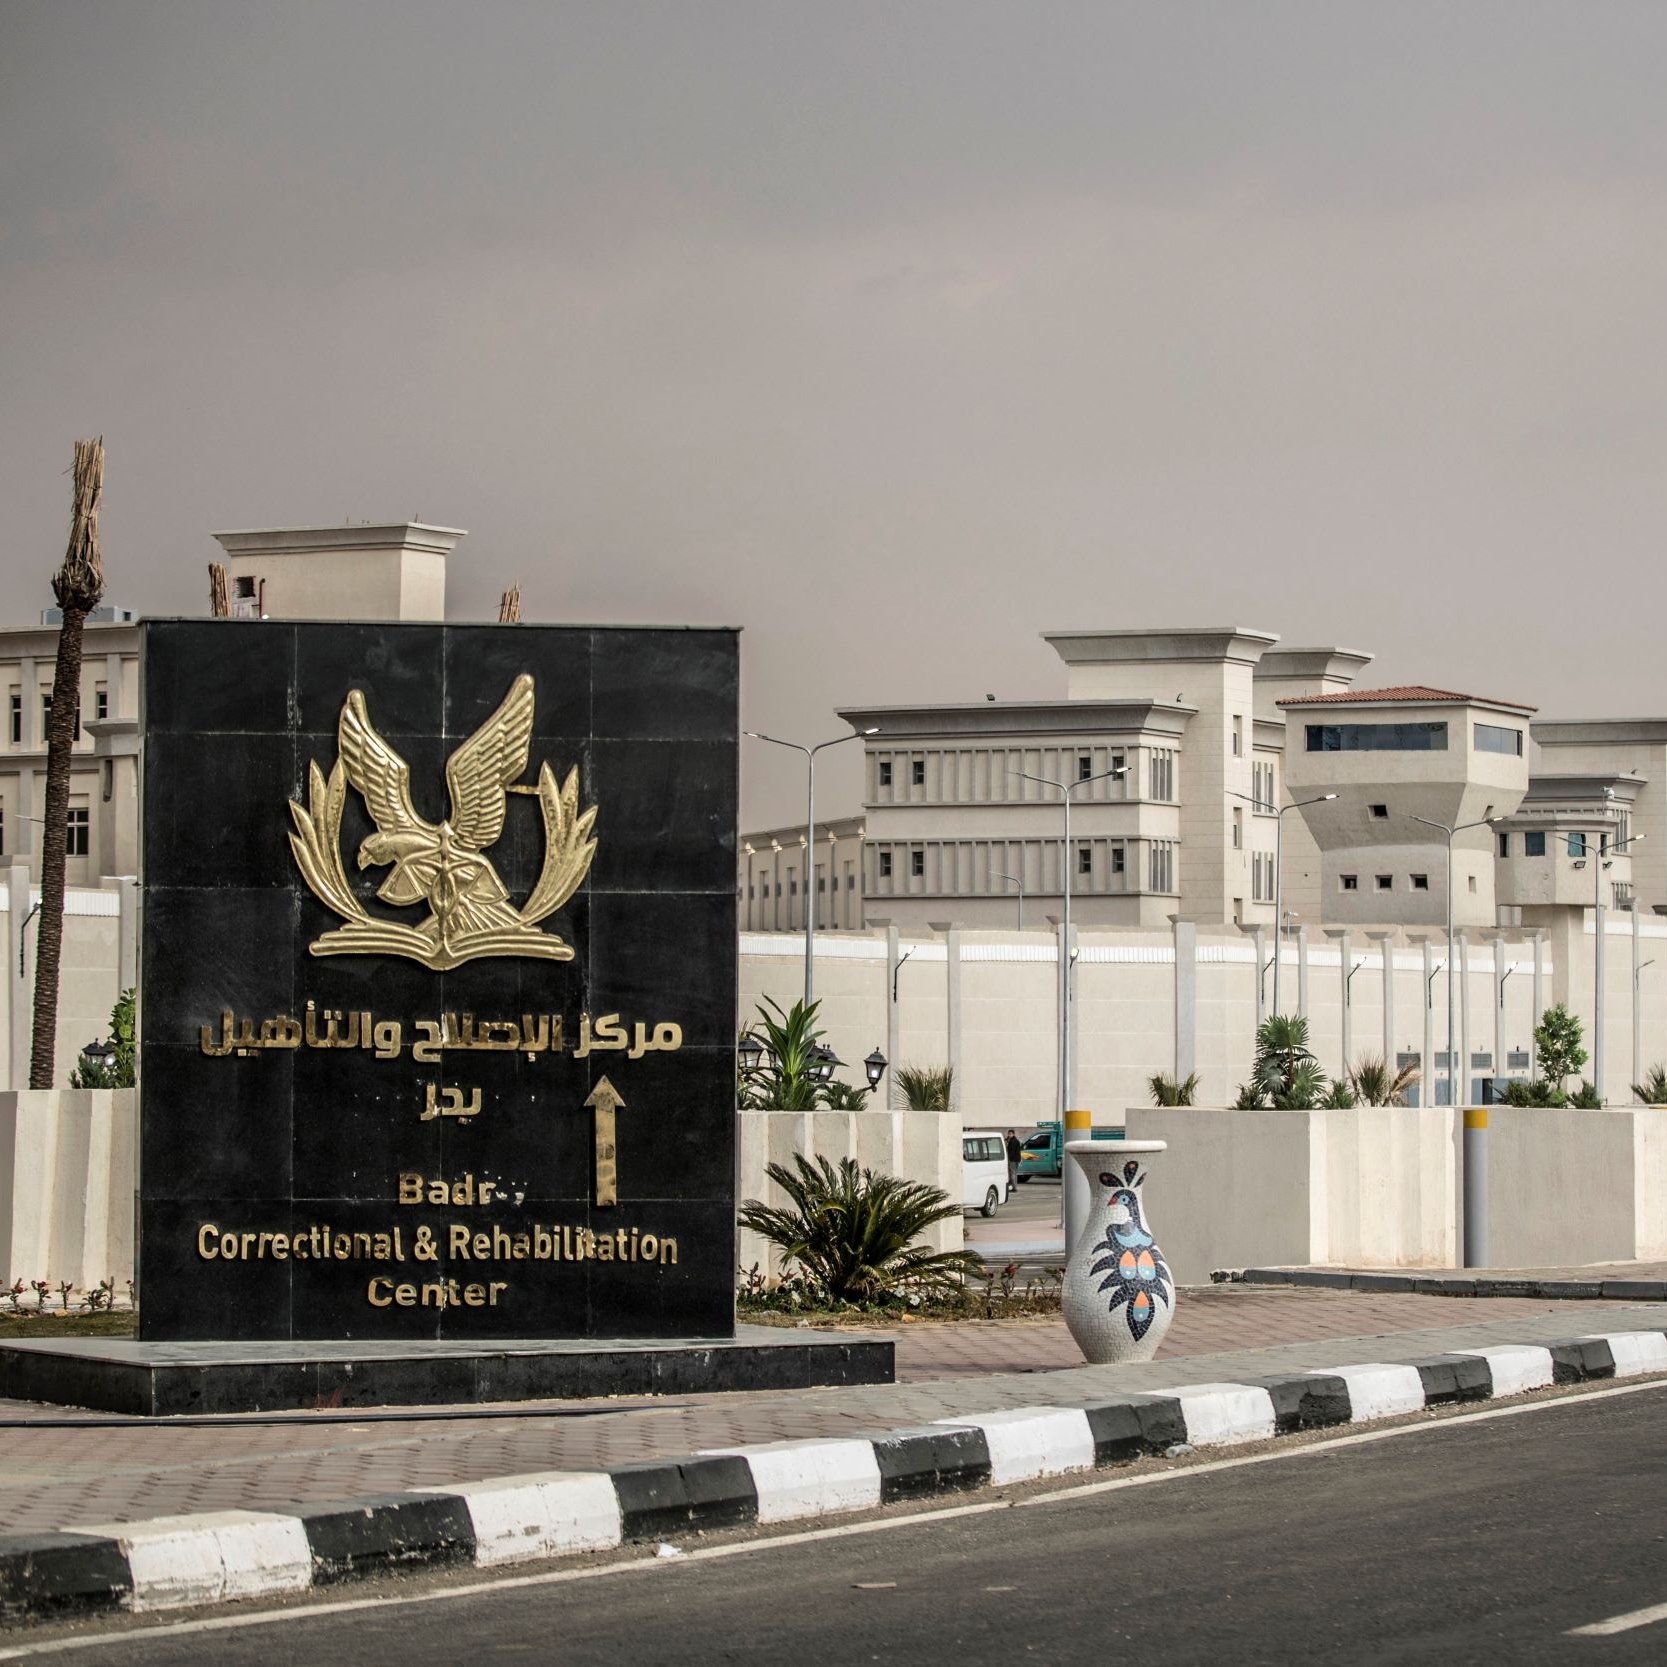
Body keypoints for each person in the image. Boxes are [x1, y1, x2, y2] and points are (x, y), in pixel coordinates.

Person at [1004, 1128, 1021, 1197]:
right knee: (1013, 1173)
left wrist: (1008, 1158)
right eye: (1008, 1134)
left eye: (1010, 1134)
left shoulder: (1013, 1141)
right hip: (1016, 1159)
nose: (1009, 1135)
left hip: (1013, 1159)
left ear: (1013, 1134)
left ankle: (1014, 1188)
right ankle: (1013, 1186)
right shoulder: (1014, 1140)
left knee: (1013, 1173)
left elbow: (1012, 1151)